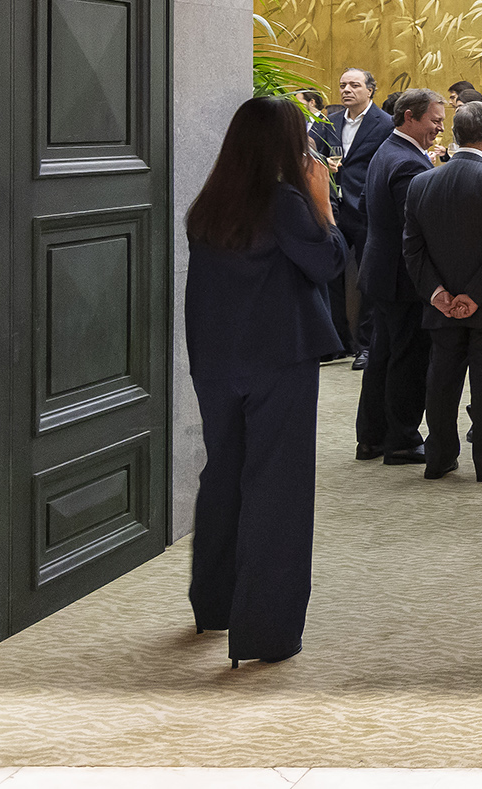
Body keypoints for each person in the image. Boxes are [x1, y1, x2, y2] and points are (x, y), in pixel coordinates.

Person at [184, 97, 345, 668]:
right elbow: (328, 264)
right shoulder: (285, 203)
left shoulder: (209, 202)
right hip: (279, 358)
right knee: (278, 488)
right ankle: (266, 634)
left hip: (215, 362)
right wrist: (322, 201)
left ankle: (215, 605)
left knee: (224, 476)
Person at [402, 101, 482, 484]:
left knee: (441, 379)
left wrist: (437, 294)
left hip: (441, 305)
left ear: (456, 135)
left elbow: (412, 249)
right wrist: (474, 296)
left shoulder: (422, 182)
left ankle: (439, 457)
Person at [355, 89, 445, 465]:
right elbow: (418, 229)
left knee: (383, 356)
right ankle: (403, 440)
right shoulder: (408, 163)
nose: (440, 128)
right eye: (435, 121)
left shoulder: (388, 150)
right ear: (409, 116)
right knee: (408, 361)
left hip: (382, 272)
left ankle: (372, 438)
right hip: (403, 279)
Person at [327, 67, 393, 367]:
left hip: (366, 209)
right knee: (330, 274)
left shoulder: (385, 123)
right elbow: (313, 152)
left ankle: (367, 345)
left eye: (354, 85)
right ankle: (337, 342)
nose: (346, 90)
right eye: (343, 85)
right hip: (333, 208)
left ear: (370, 90)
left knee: (368, 278)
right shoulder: (330, 121)